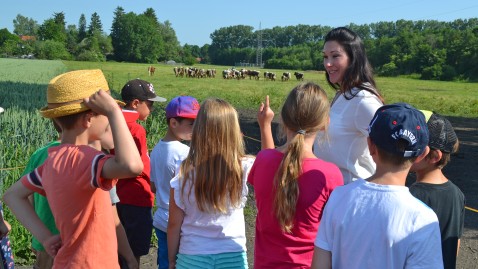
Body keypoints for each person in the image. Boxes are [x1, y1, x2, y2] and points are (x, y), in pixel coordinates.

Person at [3, 69, 144, 269]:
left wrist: (45, 238)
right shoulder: (86, 161)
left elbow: (11, 196)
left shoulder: (51, 161)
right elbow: (132, 166)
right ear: (89, 119)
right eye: (105, 116)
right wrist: (114, 111)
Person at [311, 103, 443, 269]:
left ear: (370, 145)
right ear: (422, 154)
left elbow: (319, 264)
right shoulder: (423, 219)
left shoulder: (339, 197)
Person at [248, 82, 343, 268]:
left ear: (283, 119)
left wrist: (265, 126)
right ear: (325, 123)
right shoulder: (329, 175)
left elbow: (271, 162)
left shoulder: (262, 160)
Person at [167, 98, 255, 269]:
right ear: (234, 131)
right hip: (233, 255)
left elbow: (173, 223)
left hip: (192, 256)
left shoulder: (182, 171)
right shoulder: (244, 166)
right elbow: (270, 167)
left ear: (199, 129)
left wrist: (171, 259)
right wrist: (265, 125)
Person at [313, 27, 384, 184]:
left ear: (353, 58)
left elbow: (389, 154)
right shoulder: (342, 94)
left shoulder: (364, 101)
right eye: (325, 57)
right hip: (334, 193)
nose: (328, 64)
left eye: (335, 56)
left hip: (353, 194)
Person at [116, 79, 166, 266]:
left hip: (117, 196)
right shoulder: (136, 129)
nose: (151, 109)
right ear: (136, 103)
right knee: (133, 251)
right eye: (150, 104)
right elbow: (135, 165)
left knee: (118, 248)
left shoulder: (112, 122)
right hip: (136, 196)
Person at [409, 111, 465, 269]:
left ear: (433, 157)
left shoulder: (413, 196)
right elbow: (456, 243)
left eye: (414, 146)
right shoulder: (457, 194)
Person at [150, 96, 200, 269]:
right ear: (173, 123)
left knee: (164, 261)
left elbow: (153, 186)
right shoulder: (185, 153)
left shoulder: (156, 149)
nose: (195, 129)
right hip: (179, 223)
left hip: (161, 219)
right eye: (191, 124)